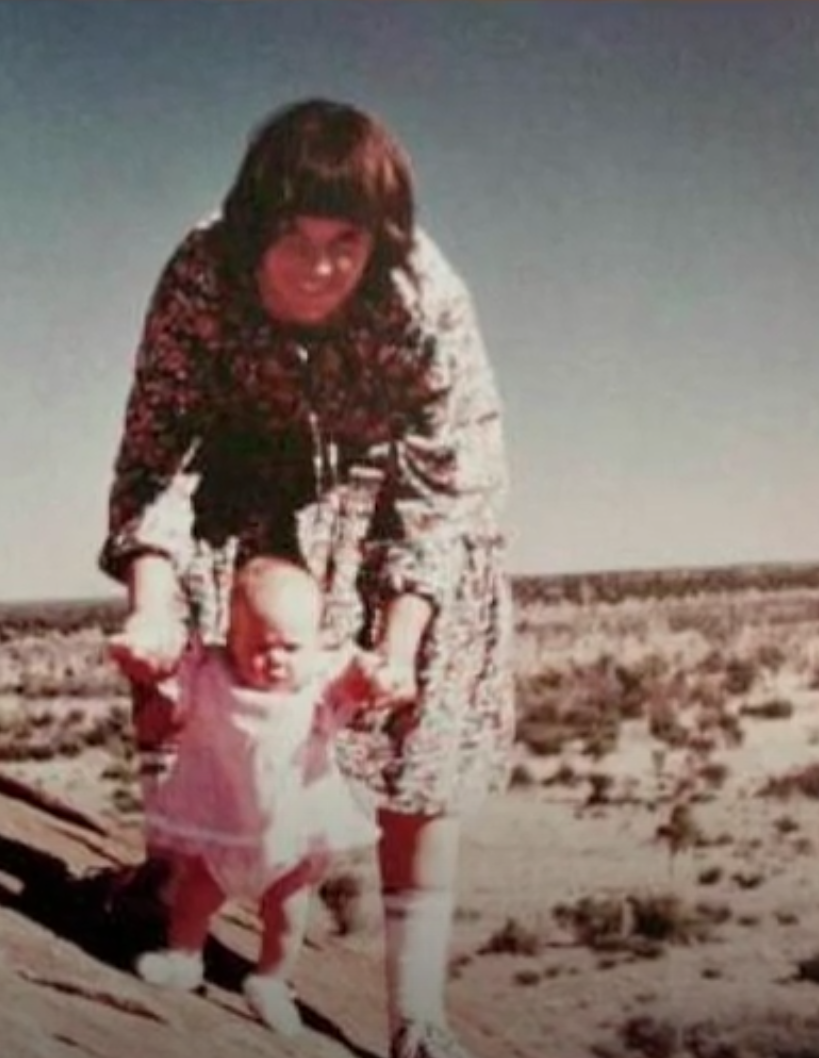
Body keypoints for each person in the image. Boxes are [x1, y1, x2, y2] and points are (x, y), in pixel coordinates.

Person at [101, 97, 514, 1058]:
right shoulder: (203, 272)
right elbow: (157, 450)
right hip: (256, 469)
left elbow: (438, 494)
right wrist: (155, 608)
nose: (319, 263)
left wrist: (399, 650)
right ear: (254, 226)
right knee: (196, 668)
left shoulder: (423, 300)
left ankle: (417, 1012)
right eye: (293, 234)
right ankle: (174, 884)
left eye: (345, 239)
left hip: (412, 502)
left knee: (421, 738)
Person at [122, 555, 380, 1036]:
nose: (276, 658)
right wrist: (144, 660)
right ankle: (183, 956)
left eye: (291, 646)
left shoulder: (318, 686)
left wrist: (370, 678)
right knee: (197, 892)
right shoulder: (212, 677)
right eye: (259, 645)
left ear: (315, 642)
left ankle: (272, 980)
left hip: (292, 830)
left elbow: (353, 686)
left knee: (288, 909)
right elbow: (172, 693)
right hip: (225, 824)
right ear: (232, 639)